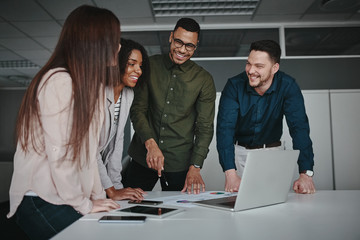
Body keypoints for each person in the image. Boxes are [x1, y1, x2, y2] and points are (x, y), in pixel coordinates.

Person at [7, 5, 121, 239]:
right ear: (95, 42)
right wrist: (85, 204)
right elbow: (62, 155)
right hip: (41, 200)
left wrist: (98, 198)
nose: (119, 46)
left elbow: (88, 156)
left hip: (67, 198)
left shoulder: (93, 89)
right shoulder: (59, 81)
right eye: (114, 39)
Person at [124, 18, 216, 194]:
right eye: (179, 42)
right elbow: (138, 110)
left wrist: (195, 166)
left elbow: (204, 127)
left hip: (179, 163)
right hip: (143, 157)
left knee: (183, 216)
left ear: (196, 46)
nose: (182, 50)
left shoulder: (204, 80)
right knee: (128, 212)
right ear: (171, 37)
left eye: (189, 46)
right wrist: (151, 145)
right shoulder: (148, 65)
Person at [216, 39, 316, 194]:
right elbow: (225, 130)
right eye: (249, 63)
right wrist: (230, 173)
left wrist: (306, 174)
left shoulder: (288, 86)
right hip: (240, 154)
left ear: (274, 68)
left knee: (275, 207)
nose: (250, 70)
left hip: (273, 154)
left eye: (259, 66)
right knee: (242, 210)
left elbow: (299, 129)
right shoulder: (234, 86)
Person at [97, 38, 149, 201]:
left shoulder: (128, 95)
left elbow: (116, 144)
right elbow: (90, 150)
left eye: (140, 65)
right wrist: (111, 190)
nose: (138, 70)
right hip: (77, 177)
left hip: (98, 176)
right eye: (131, 63)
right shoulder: (96, 93)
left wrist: (118, 187)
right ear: (116, 63)